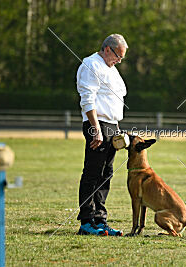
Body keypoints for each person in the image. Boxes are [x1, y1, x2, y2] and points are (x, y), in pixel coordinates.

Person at [75, 34, 128, 236]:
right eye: (118, 56)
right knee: (92, 172)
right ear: (107, 49)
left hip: (112, 126)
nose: (119, 61)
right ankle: (87, 222)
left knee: (106, 174)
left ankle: (100, 219)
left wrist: (116, 128)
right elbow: (87, 99)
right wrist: (96, 128)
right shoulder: (91, 65)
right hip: (97, 124)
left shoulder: (111, 70)